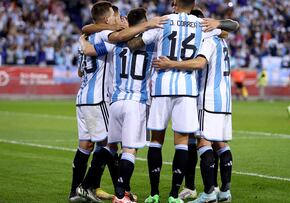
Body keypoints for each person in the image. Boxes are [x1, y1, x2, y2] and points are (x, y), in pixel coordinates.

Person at [126, 0, 238, 202]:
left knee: (156, 141)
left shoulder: (164, 20)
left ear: (176, 4)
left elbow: (133, 45)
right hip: (186, 89)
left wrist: (146, 26)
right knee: (183, 144)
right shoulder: (200, 24)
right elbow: (231, 28)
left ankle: (154, 194)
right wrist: (218, 23)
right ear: (193, 3)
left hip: (161, 86)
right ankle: (174, 195)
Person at [77, 6, 167, 203]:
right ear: (145, 20)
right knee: (129, 150)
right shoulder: (153, 37)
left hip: (116, 101)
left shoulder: (115, 40)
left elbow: (90, 49)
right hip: (137, 101)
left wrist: (82, 40)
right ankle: (121, 194)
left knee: (110, 146)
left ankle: (85, 185)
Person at [152, 13, 236, 202]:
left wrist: (170, 63)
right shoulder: (222, 40)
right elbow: (230, 28)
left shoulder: (208, 40)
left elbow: (199, 63)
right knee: (220, 143)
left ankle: (208, 193)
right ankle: (224, 191)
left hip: (207, 97)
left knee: (203, 143)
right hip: (224, 98)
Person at [70, 2, 117, 202]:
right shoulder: (106, 36)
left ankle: (75, 192)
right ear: (107, 19)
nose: (117, 20)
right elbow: (93, 51)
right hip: (97, 99)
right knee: (110, 143)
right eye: (115, 17)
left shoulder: (87, 37)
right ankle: (89, 186)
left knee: (86, 145)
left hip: (82, 97)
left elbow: (80, 71)